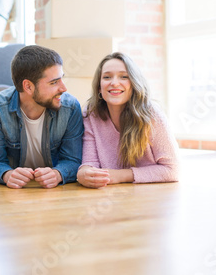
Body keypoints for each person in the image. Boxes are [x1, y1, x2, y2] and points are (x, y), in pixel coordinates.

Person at [0, 45, 84, 189]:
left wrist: (58, 174)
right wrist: (7, 174)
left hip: (54, 193)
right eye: (54, 82)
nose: (63, 88)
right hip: (15, 195)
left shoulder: (70, 107)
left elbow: (73, 160)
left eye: (61, 79)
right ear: (28, 87)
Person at [77, 52, 179, 188]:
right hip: (109, 196)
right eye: (107, 77)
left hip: (151, 197)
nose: (114, 83)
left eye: (124, 77)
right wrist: (84, 173)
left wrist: (120, 176)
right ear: (99, 87)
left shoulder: (152, 114)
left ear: (134, 84)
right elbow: (89, 163)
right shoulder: (91, 114)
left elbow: (172, 170)